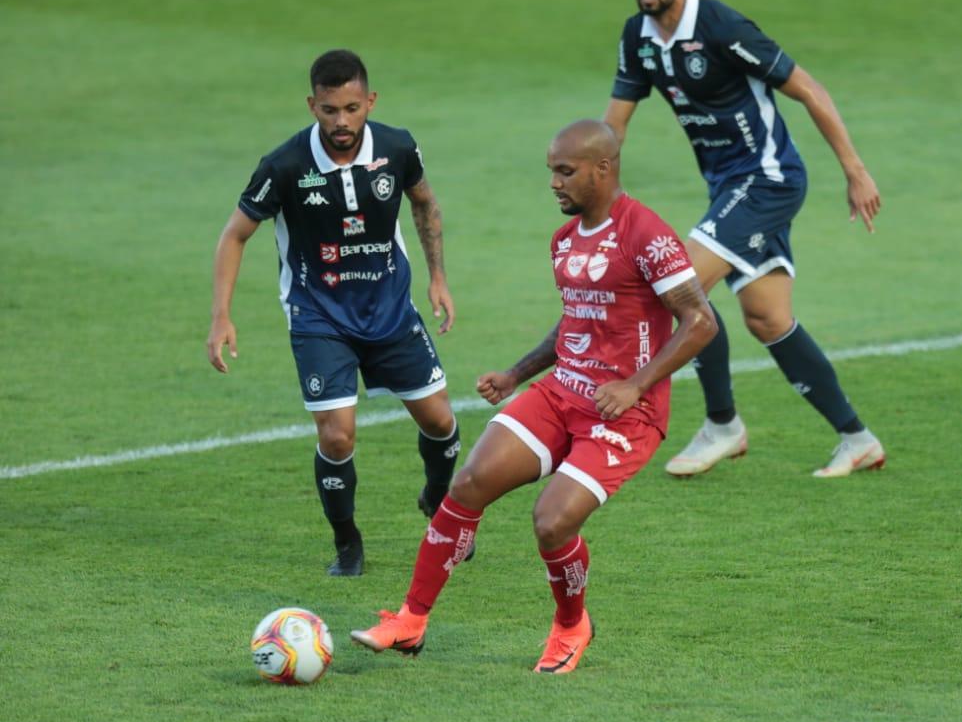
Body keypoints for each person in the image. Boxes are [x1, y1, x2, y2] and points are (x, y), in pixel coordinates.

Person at [351, 119, 717, 673]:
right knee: (470, 482)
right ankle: (410, 621)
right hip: (561, 392)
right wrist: (517, 373)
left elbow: (700, 322)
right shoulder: (565, 241)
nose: (554, 183)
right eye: (551, 171)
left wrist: (636, 383)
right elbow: (576, 321)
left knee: (552, 521)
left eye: (565, 171)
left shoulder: (647, 234)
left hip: (626, 414)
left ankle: (572, 625)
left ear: (604, 168)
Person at [604, 0, 887, 478]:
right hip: (726, 188)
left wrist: (855, 169)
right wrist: (602, 202)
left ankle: (722, 425)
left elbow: (808, 88)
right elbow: (614, 126)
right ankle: (857, 438)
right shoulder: (636, 36)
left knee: (678, 283)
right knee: (768, 317)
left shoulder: (719, 25)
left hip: (769, 178)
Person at [206, 49, 465, 577]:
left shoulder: (397, 146)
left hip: (391, 308)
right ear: (312, 105)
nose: (341, 122)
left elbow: (425, 203)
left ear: (369, 101)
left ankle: (437, 500)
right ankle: (348, 544)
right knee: (337, 435)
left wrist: (437, 277)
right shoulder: (284, 165)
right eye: (329, 110)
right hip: (319, 316)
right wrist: (221, 316)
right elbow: (235, 235)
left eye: (351, 108)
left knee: (441, 422)